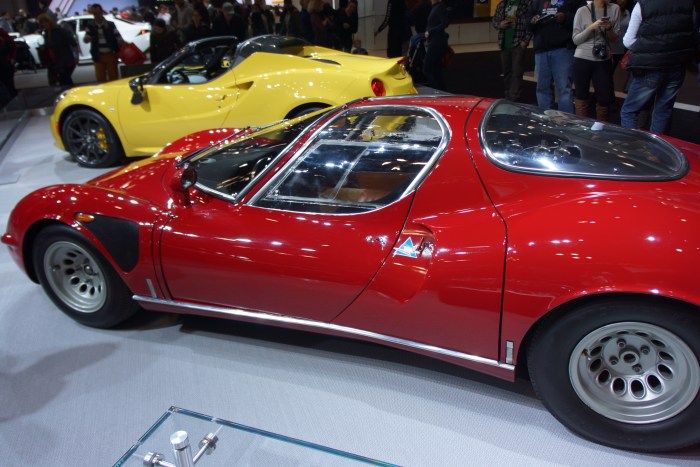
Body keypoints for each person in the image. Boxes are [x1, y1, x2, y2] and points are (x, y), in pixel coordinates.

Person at [619, 0, 696, 133]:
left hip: (650, 67)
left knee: (629, 111)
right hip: (676, 65)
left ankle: (632, 145)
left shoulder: (642, 5)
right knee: (663, 111)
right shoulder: (688, 3)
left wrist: (647, 47)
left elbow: (628, 41)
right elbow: (690, 35)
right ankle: (656, 146)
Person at [527, 0, 585, 113]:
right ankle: (545, 119)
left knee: (564, 90)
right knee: (542, 89)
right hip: (541, 50)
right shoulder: (535, 2)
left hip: (563, 49)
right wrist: (532, 21)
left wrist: (565, 18)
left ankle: (565, 121)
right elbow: (527, 22)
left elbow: (582, 17)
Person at [571, 0, 620, 120]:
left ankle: (600, 129)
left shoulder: (615, 9)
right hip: (582, 58)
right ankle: (581, 127)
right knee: (581, 96)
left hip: (603, 58)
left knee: (604, 100)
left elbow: (615, 38)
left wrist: (609, 28)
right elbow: (576, 40)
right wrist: (591, 28)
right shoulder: (582, 11)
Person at [492, 0, 533, 102]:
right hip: (504, 43)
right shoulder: (502, 4)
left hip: (518, 42)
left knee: (517, 71)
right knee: (506, 72)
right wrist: (500, 24)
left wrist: (525, 41)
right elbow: (494, 21)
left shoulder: (525, 4)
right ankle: (508, 95)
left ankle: (514, 97)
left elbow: (530, 23)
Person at [83, 4, 123, 83]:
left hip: (111, 54)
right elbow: (86, 38)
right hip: (98, 55)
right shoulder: (90, 25)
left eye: (98, 13)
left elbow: (118, 36)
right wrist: (87, 38)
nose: (97, 15)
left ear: (101, 12)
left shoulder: (110, 24)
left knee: (114, 78)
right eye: (94, 13)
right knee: (100, 79)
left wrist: (121, 42)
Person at [38, 13, 77, 86]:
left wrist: (76, 56)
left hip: (65, 61)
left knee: (65, 81)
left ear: (50, 22)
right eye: (42, 22)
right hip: (53, 63)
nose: (44, 24)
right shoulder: (46, 34)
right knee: (56, 82)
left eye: (46, 22)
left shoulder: (59, 31)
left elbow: (73, 43)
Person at [423, 0, 450, 91]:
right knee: (436, 68)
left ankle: (436, 90)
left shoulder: (439, 7)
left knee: (427, 69)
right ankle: (442, 90)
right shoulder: (435, 7)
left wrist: (430, 31)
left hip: (437, 41)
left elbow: (445, 23)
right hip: (435, 40)